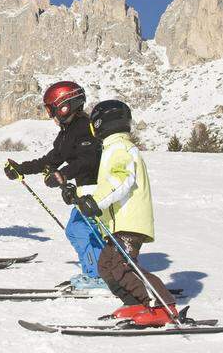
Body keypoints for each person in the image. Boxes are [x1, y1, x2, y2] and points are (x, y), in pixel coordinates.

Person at [67, 99, 177, 326]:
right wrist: (78, 194)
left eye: (93, 122)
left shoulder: (120, 147)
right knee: (106, 266)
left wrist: (95, 201)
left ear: (101, 123)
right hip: (118, 222)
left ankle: (163, 307)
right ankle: (136, 302)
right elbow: (107, 185)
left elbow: (120, 179)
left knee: (123, 264)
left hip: (130, 221)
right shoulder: (113, 147)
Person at [3, 81, 105, 289]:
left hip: (100, 190)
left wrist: (62, 175)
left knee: (81, 230)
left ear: (65, 106)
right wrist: (21, 169)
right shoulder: (67, 133)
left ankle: (99, 277)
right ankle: (99, 272)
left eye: (51, 109)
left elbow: (88, 160)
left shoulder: (86, 127)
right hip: (86, 190)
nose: (51, 115)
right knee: (77, 230)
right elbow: (49, 161)